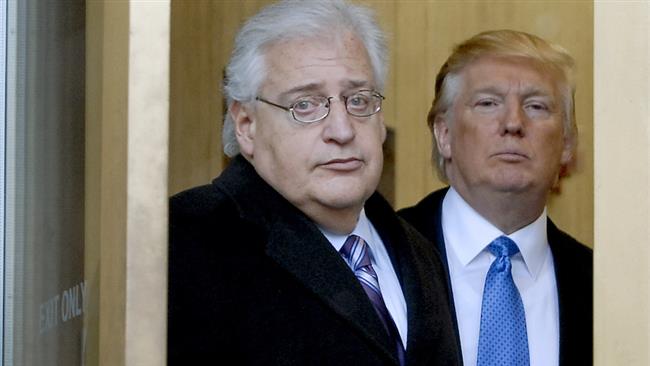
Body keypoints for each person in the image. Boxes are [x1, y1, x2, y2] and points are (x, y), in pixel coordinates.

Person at [167, 1, 459, 365]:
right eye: (305, 105)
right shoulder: (184, 242)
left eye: (358, 100)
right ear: (246, 125)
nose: (342, 129)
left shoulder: (418, 250)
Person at [398, 30, 592, 366]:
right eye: (488, 103)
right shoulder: (383, 256)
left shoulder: (597, 283)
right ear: (444, 135)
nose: (514, 123)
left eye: (536, 106)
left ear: (566, 144)